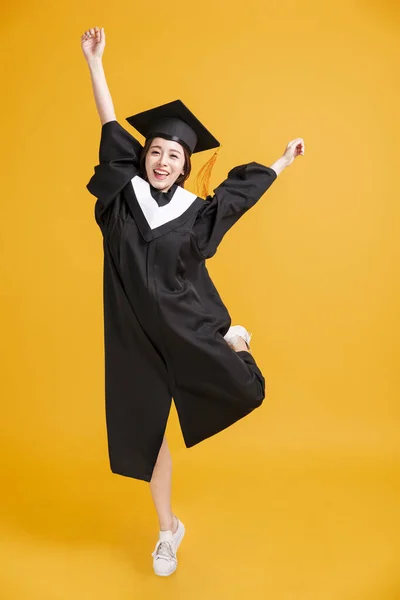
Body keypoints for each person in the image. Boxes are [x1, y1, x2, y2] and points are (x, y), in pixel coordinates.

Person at [81, 26, 305, 577]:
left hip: (184, 324)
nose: (161, 160)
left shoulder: (194, 213)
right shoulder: (122, 198)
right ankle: (167, 532)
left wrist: (281, 162)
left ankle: (228, 336)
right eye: (154, 150)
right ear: (144, 156)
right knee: (148, 435)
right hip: (134, 335)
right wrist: (96, 63)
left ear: (185, 165)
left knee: (243, 387)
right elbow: (110, 127)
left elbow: (237, 200)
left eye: (173, 154)